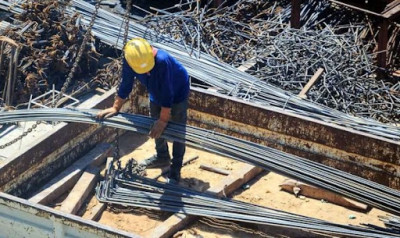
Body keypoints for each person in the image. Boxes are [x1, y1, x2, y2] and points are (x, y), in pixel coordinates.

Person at [97, 37, 190, 184]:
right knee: (155, 126)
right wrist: (116, 107)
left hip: (177, 91)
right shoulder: (131, 59)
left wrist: (164, 119)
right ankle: (162, 156)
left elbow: (168, 92)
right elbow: (126, 84)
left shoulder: (162, 61)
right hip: (155, 91)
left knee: (177, 130)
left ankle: (176, 168)